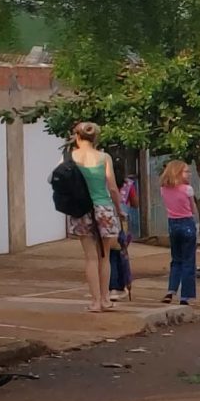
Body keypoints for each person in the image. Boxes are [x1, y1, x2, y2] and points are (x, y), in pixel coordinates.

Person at [61, 122, 123, 313]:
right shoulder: (104, 157)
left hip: (81, 210)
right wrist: (119, 210)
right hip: (103, 207)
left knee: (90, 258)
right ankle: (105, 299)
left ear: (77, 137)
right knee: (104, 256)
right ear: (96, 138)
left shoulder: (70, 157)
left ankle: (95, 302)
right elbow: (112, 187)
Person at [159, 161, 199, 305]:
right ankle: (186, 296)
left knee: (176, 259)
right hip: (186, 222)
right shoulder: (188, 189)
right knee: (189, 261)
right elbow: (193, 209)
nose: (189, 174)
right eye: (186, 171)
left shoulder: (163, 189)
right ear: (177, 173)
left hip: (172, 224)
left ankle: (171, 290)